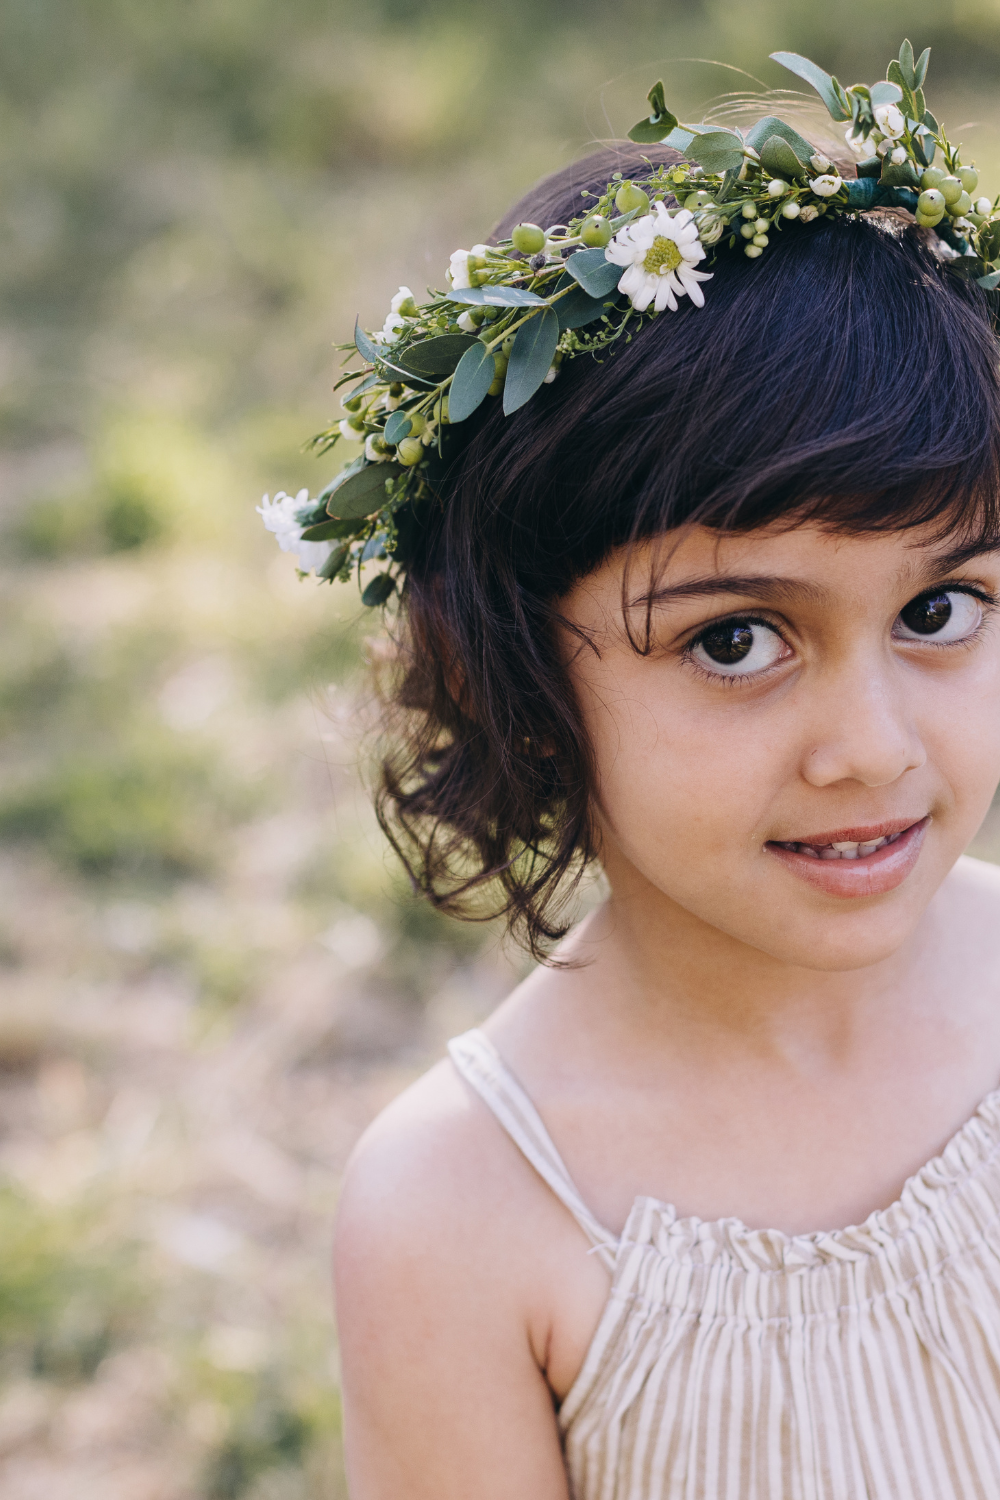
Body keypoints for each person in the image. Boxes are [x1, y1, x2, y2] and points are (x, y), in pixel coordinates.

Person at [265, 47, 1000, 1498]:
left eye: (937, 612)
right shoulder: (461, 1221)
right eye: (737, 639)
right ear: (514, 677)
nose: (872, 747)